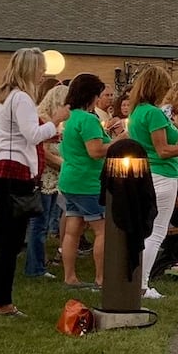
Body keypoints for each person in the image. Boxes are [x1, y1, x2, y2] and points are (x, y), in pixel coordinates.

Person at [0, 48, 64, 315]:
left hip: (4, 169)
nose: (43, 73)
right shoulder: (22, 98)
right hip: (15, 170)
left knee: (1, 239)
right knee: (9, 240)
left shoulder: (8, 97)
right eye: (40, 68)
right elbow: (31, 135)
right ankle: (2, 300)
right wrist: (56, 121)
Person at [128, 67, 178, 300]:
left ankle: (137, 279)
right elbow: (163, 150)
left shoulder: (137, 112)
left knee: (146, 230)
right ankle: (142, 284)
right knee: (156, 232)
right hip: (161, 174)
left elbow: (160, 143)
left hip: (146, 173)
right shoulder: (154, 113)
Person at [58, 74, 111, 289]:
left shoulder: (70, 117)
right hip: (87, 182)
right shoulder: (89, 119)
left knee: (73, 229)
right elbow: (95, 151)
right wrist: (119, 142)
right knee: (102, 230)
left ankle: (69, 277)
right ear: (92, 95)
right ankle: (101, 278)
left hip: (69, 179)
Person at [26, 83, 68, 279]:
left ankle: (40, 263)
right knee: (39, 223)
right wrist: (63, 164)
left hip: (54, 176)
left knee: (45, 219)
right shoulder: (42, 118)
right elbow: (40, 149)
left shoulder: (57, 122)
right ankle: (35, 267)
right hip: (44, 175)